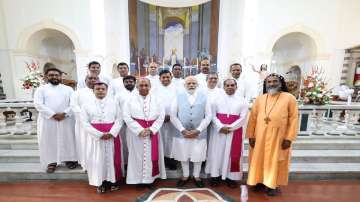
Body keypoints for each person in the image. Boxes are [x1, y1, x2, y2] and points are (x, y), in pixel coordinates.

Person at [246, 73, 298, 196]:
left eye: (275, 81)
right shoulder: (260, 98)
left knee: (274, 160)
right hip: (260, 135)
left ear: (281, 84)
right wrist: (251, 135)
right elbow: (253, 118)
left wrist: (289, 138)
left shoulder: (289, 98)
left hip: (278, 136)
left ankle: (271, 184)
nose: (272, 84)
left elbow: (294, 118)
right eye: (269, 82)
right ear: (265, 84)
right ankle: (257, 180)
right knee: (258, 158)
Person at [81, 80, 123, 193]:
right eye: (97, 89)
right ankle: (100, 182)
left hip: (111, 136)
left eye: (103, 89)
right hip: (96, 138)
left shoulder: (114, 103)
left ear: (107, 90)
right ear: (93, 91)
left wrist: (112, 133)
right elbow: (84, 123)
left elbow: (119, 120)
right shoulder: (86, 105)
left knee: (112, 158)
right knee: (98, 160)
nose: (100, 91)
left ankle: (113, 181)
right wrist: (99, 135)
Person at [205, 79, 248, 188]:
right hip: (219, 132)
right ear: (223, 87)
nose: (230, 87)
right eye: (227, 85)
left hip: (234, 132)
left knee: (232, 155)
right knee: (216, 153)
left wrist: (231, 128)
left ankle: (231, 178)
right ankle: (215, 176)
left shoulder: (242, 101)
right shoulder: (216, 99)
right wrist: (220, 126)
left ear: (236, 87)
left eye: (232, 85)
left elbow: (243, 117)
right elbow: (212, 115)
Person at [123, 78, 166, 188]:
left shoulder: (158, 99)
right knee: (137, 156)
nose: (143, 88)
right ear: (137, 87)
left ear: (150, 87)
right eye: (141, 85)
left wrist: (152, 129)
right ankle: (138, 180)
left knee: (152, 155)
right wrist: (139, 130)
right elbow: (126, 116)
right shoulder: (129, 100)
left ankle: (150, 179)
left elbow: (161, 116)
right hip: (135, 134)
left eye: (146, 85)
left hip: (153, 132)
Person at [34, 67, 78, 173]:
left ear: (60, 76)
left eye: (56, 75)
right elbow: (38, 104)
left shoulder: (69, 89)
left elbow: (73, 104)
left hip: (66, 119)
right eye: (51, 75)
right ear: (46, 77)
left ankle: (69, 159)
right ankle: (51, 162)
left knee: (68, 138)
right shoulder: (41, 89)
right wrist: (53, 115)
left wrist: (65, 113)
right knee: (49, 140)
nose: (54, 77)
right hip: (48, 120)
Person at [170, 76, 212, 188]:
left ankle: (196, 176)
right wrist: (182, 130)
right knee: (183, 155)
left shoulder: (204, 97)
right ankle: (185, 175)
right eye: (189, 83)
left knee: (198, 155)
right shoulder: (178, 97)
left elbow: (208, 116)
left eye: (194, 83)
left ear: (197, 85)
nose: (191, 85)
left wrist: (198, 130)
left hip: (199, 133)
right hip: (181, 133)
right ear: (184, 85)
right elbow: (173, 115)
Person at [70, 73, 98, 170]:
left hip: (98, 124)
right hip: (82, 123)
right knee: (84, 144)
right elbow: (74, 106)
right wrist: (85, 118)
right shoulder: (77, 93)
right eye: (90, 78)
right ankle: (86, 165)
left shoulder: (101, 91)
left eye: (95, 78)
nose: (93, 80)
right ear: (85, 80)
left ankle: (96, 164)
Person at [153, 70, 178, 170]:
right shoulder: (154, 90)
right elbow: (153, 104)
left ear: (171, 77)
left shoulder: (177, 89)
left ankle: (171, 160)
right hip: (159, 120)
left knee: (171, 140)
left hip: (173, 119)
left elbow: (179, 104)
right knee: (161, 139)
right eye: (163, 77)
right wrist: (161, 117)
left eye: (168, 77)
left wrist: (171, 116)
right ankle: (161, 160)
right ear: (160, 79)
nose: (166, 79)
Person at [115, 75, 137, 167]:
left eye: (131, 82)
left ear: (135, 83)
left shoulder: (139, 92)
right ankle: (125, 163)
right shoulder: (119, 95)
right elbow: (116, 108)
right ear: (123, 83)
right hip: (123, 124)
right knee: (124, 143)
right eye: (126, 82)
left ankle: (135, 162)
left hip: (137, 124)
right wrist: (122, 119)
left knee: (135, 144)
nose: (129, 83)